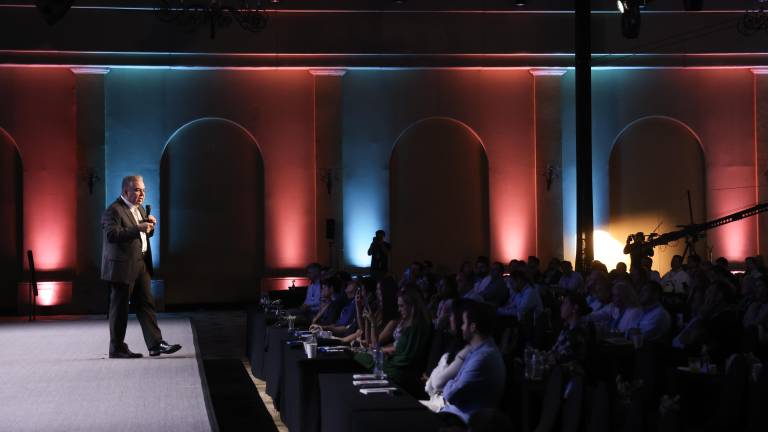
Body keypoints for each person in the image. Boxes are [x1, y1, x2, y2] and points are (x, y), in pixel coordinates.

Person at [102, 175, 180, 358]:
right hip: (122, 267)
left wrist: (149, 227)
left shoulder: (139, 209)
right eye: (137, 190)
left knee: (146, 304)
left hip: (141, 264)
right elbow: (112, 235)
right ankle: (116, 348)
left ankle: (155, 344)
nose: (142, 194)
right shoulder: (113, 210)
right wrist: (138, 228)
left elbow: (142, 236)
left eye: (144, 190)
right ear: (125, 191)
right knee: (120, 309)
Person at [440, 301, 506, 424]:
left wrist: (450, 383)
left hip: (463, 421)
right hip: (454, 414)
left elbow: (450, 395)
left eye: (464, 323)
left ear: (473, 327)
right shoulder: (479, 350)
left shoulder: (482, 357)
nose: (461, 327)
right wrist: (453, 382)